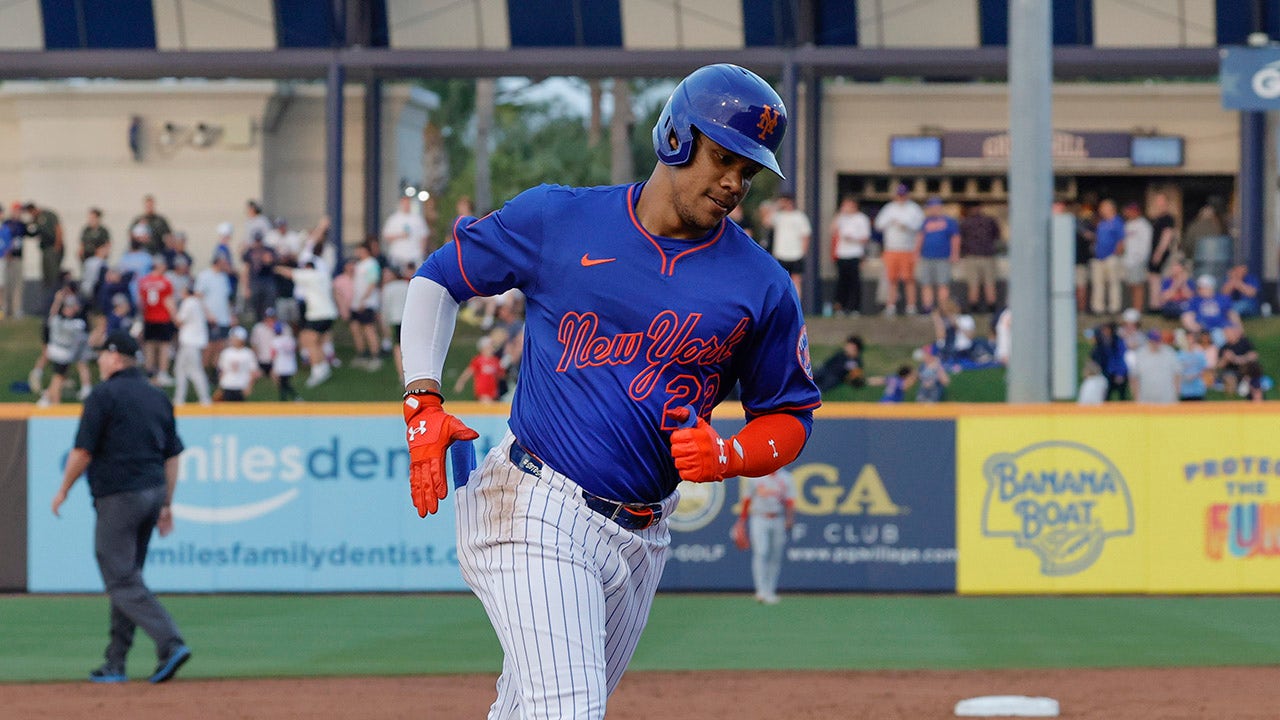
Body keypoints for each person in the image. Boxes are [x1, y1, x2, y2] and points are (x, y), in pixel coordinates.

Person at [397, 63, 819, 718]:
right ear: (676, 137)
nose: (735, 182)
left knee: (531, 707)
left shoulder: (759, 284)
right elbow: (436, 279)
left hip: (644, 533)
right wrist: (422, 399)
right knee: (567, 708)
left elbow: (789, 417)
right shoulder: (559, 219)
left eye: (750, 169)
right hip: (534, 500)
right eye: (723, 157)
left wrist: (729, 457)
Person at [50, 330, 191, 684]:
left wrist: (63, 489)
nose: (98, 359)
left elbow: (83, 452)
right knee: (128, 578)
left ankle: (170, 642)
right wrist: (167, 503)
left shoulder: (103, 395)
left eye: (101, 354)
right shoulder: (157, 396)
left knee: (120, 578)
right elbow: (172, 456)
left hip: (120, 496)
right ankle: (115, 661)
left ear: (114, 358)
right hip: (152, 492)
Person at [733, 467, 795, 605]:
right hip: (759, 517)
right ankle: (761, 591)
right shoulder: (756, 475)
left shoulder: (785, 477)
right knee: (761, 552)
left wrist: (790, 518)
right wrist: (741, 521)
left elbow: (790, 501)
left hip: (778, 517)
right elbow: (747, 499)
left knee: (775, 555)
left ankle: (770, 591)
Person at [875, 183, 924, 315]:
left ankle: (911, 306)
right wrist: (891, 221)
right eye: (899, 195)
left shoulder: (914, 208)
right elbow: (878, 224)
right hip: (891, 248)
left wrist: (906, 225)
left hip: (908, 249)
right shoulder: (889, 208)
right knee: (892, 279)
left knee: (909, 279)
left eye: (903, 195)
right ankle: (891, 306)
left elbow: (920, 226)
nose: (901, 197)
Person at [37, 293, 89, 407]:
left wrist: (57, 301)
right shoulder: (74, 323)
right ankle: (54, 403)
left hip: (57, 353)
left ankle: (46, 398)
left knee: (58, 378)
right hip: (62, 355)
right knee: (58, 380)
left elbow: (53, 314)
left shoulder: (58, 319)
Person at [915, 197, 959, 314]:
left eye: (936, 207)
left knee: (942, 283)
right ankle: (927, 308)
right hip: (926, 256)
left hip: (943, 257)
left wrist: (955, 254)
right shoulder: (925, 222)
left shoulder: (949, 221)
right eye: (932, 207)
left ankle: (943, 309)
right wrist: (917, 252)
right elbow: (920, 237)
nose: (934, 210)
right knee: (926, 283)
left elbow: (955, 238)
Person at [765, 193, 811, 301]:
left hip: (796, 254)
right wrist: (776, 206)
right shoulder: (778, 216)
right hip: (781, 254)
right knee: (780, 280)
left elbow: (805, 236)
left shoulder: (799, 216)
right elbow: (766, 221)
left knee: (796, 281)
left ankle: (796, 305)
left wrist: (803, 253)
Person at [172, 285, 212, 407]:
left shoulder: (188, 302)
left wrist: (170, 307)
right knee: (181, 370)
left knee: (193, 371)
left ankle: (204, 399)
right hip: (193, 342)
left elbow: (179, 322)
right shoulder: (196, 302)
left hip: (190, 342)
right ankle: (180, 399)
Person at [829, 196, 869, 315]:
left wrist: (853, 239)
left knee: (854, 282)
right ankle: (840, 307)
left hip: (855, 254)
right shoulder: (842, 218)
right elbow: (832, 230)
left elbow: (865, 238)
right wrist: (839, 214)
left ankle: (854, 308)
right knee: (842, 281)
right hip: (842, 254)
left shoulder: (862, 219)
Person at [959, 202, 1001, 313]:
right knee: (988, 283)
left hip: (973, 256)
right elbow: (997, 236)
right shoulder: (989, 220)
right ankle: (991, 308)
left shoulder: (966, 222)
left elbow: (961, 240)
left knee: (975, 284)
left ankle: (974, 308)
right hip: (987, 255)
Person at [1181, 274, 1239, 346]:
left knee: (1224, 334)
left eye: (1202, 288)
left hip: (1221, 327)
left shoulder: (1222, 299)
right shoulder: (1195, 300)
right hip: (1203, 328)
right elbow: (1187, 315)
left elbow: (1232, 314)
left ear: (1211, 287)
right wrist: (1196, 328)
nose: (1199, 290)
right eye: (1199, 288)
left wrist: (1237, 327)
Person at [1090, 199, 1124, 315]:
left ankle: (1114, 307)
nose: (1101, 210)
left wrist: (1116, 254)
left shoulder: (1117, 222)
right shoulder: (1101, 223)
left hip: (1111, 257)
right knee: (1098, 283)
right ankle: (1098, 308)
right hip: (1099, 257)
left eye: (1103, 207)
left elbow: (1121, 240)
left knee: (1113, 283)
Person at [1130, 329, 1180, 404]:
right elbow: (1134, 377)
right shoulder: (1140, 354)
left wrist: (1176, 395)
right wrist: (1136, 398)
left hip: (1167, 399)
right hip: (1146, 399)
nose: (1155, 343)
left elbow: (1177, 375)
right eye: (1153, 341)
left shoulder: (1169, 353)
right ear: (1149, 341)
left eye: (1157, 340)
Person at [1146, 193, 1177, 311]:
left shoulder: (1168, 218)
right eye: (1157, 201)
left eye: (1161, 201)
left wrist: (1159, 253)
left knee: (1158, 279)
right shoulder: (1156, 218)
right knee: (1153, 278)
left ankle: (1158, 305)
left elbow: (1167, 236)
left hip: (1161, 253)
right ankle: (1154, 304)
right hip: (1154, 251)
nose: (1159, 204)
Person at [382, 195, 431, 270]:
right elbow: (387, 236)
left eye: (408, 203)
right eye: (404, 203)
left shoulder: (417, 218)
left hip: (415, 255)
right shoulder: (393, 219)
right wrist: (400, 235)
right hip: (398, 255)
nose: (406, 205)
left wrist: (422, 252)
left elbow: (424, 236)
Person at [453, 334, 505, 403]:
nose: (491, 349)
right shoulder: (478, 360)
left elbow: (501, 375)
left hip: (493, 393)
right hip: (482, 393)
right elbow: (468, 372)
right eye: (489, 347)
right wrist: (460, 382)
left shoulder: (495, 361)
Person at [1121, 202, 1152, 313]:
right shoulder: (1128, 224)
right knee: (1131, 285)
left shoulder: (1143, 225)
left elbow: (1146, 244)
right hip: (1128, 260)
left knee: (1138, 285)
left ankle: (1138, 310)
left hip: (1138, 259)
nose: (1128, 213)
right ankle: (1133, 308)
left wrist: (1141, 258)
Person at [216, 326, 258, 401]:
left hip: (241, 386)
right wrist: (220, 387)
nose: (232, 339)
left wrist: (249, 386)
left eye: (235, 337)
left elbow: (253, 372)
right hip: (227, 385)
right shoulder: (226, 353)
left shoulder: (248, 353)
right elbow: (222, 371)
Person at [269, 320, 299, 401]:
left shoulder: (275, 341)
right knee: (284, 383)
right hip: (291, 365)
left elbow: (273, 354)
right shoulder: (290, 339)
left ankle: (292, 398)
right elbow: (295, 350)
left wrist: (272, 367)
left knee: (283, 384)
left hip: (280, 365)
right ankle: (286, 399)